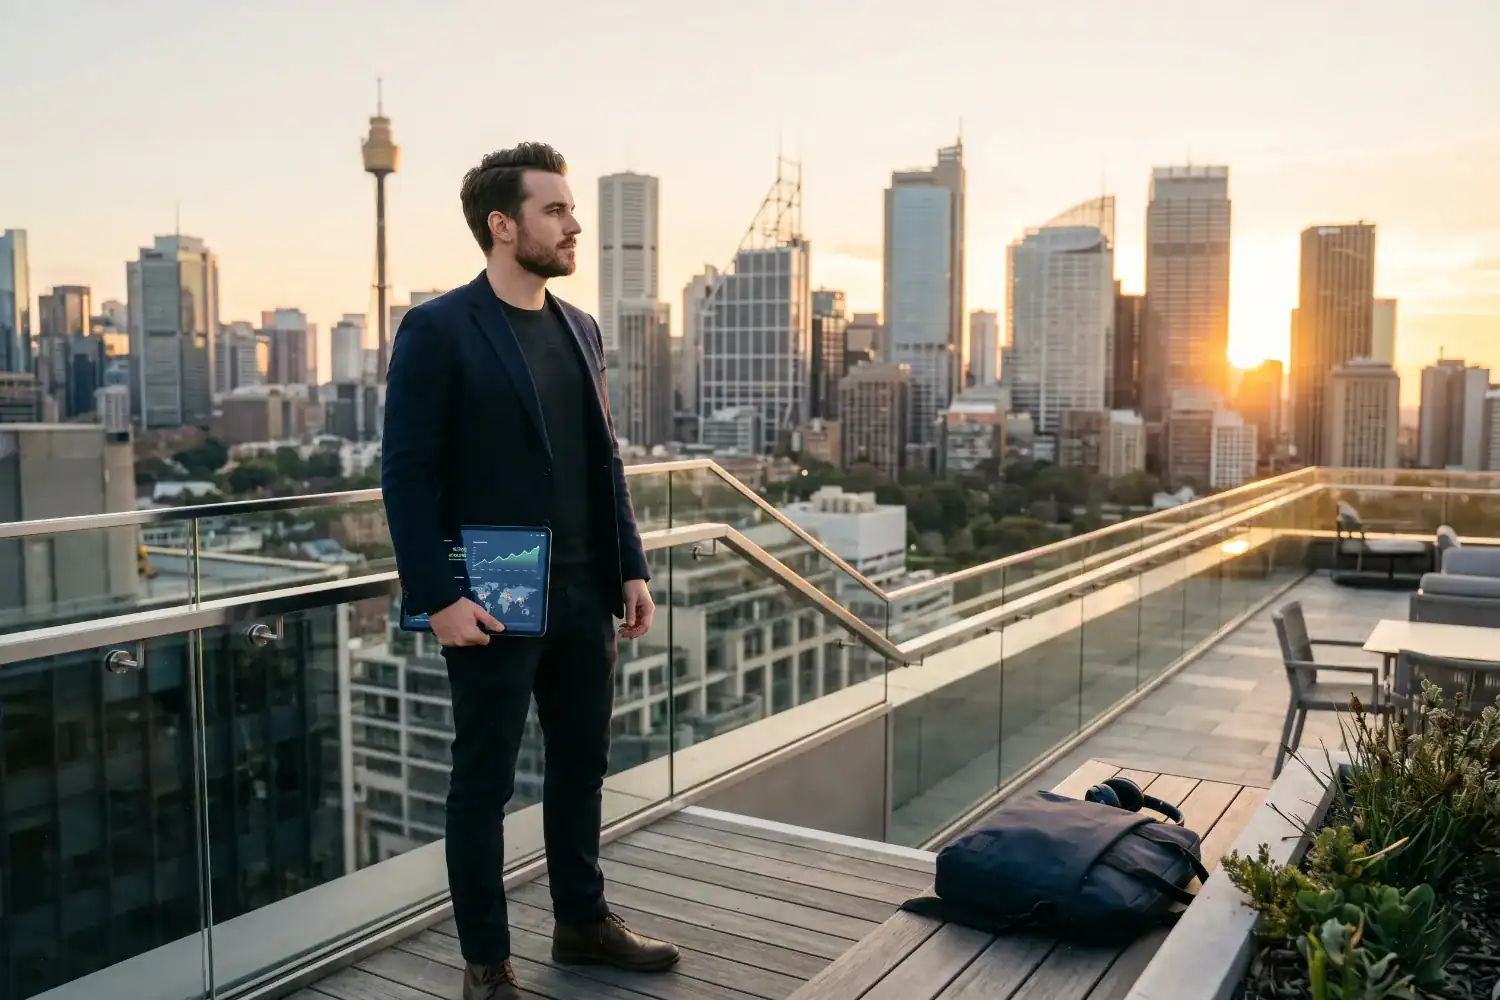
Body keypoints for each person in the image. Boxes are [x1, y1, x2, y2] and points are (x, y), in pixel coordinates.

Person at [381, 142, 679, 1000]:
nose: (574, 222)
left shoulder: (579, 327)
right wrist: (437, 598)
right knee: (483, 783)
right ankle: (486, 966)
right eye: (554, 210)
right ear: (501, 225)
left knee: (582, 763)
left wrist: (630, 565)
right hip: (493, 595)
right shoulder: (439, 328)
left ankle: (582, 923)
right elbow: (404, 472)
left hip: (587, 593)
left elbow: (604, 457)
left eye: (570, 207)